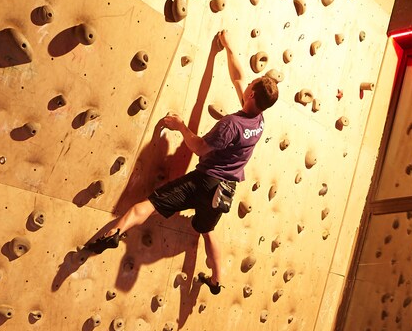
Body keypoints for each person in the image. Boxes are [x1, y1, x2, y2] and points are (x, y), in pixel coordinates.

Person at [80, 29, 278, 293]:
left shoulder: (231, 124)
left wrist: (180, 126)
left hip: (204, 182)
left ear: (251, 95)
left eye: (252, 85)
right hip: (224, 192)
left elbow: (199, 147)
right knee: (207, 229)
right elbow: (239, 77)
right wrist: (228, 47)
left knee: (149, 205)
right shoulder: (258, 121)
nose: (249, 83)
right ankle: (217, 280)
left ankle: (115, 233)